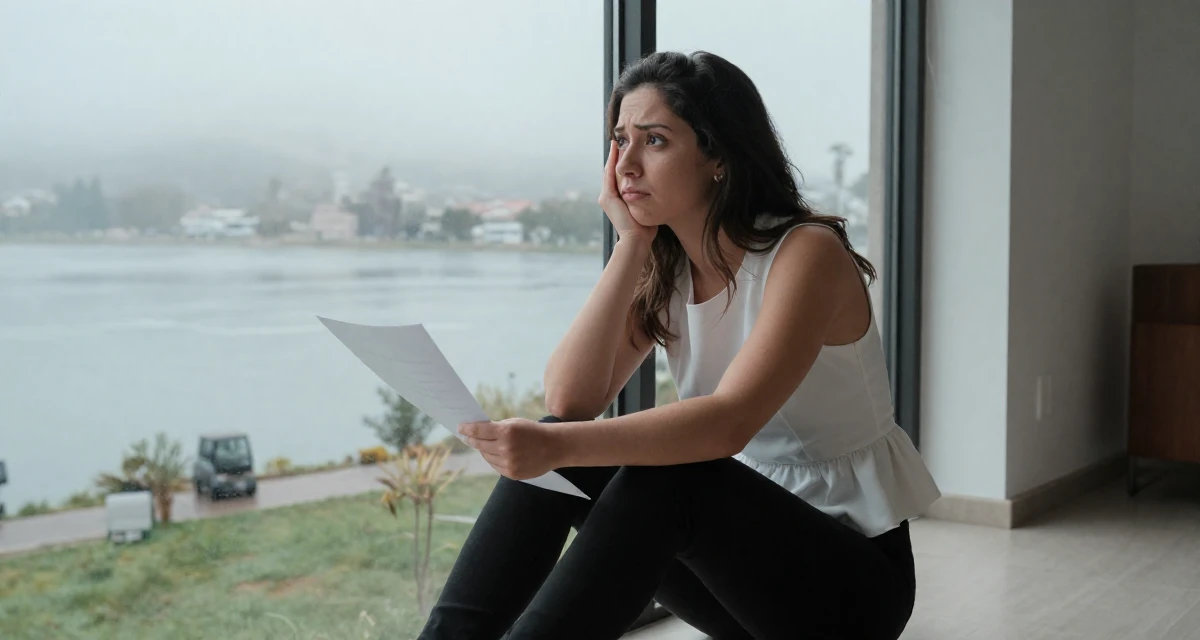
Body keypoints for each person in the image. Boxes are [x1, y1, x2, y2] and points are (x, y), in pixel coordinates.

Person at [419, 50, 941, 640]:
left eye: (655, 141)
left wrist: (554, 443)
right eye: (620, 140)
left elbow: (727, 424)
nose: (626, 164)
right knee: (571, 453)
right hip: (739, 579)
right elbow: (568, 401)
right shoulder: (668, 266)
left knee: (671, 473)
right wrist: (631, 244)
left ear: (717, 155)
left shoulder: (805, 254)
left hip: (851, 590)